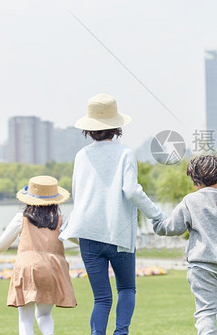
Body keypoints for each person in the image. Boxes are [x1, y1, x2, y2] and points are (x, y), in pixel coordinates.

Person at [59, 93, 165, 335]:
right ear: (117, 127)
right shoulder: (125, 153)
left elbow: (78, 193)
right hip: (118, 233)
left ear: (89, 129)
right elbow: (131, 191)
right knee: (126, 289)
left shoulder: (81, 155)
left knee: (102, 299)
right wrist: (157, 215)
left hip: (87, 233)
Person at [152, 155, 217, 335]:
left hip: (202, 267)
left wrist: (156, 221)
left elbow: (172, 228)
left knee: (206, 312)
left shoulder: (190, 201)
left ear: (194, 181)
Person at [0, 175, 76, 335]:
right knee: (45, 315)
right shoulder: (61, 220)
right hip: (53, 269)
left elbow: (1, 245)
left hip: (27, 268)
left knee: (25, 318)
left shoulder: (22, 218)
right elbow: (77, 238)